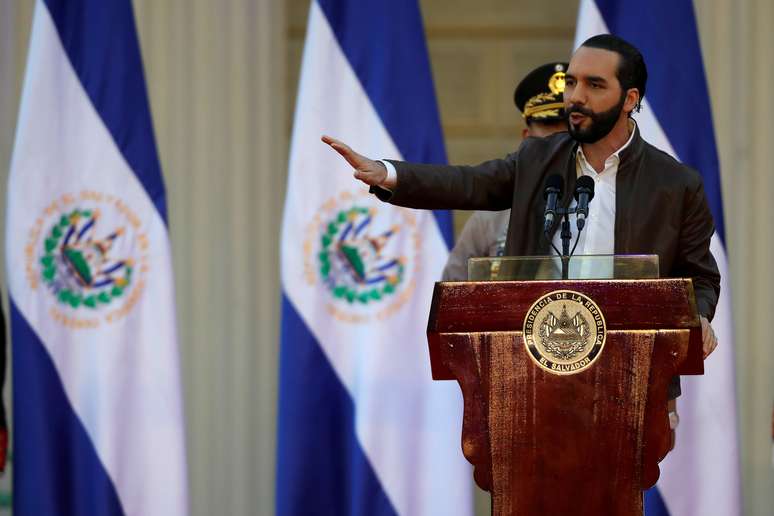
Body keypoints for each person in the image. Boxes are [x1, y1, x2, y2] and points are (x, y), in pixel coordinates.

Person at [322, 34, 719, 365]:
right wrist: (389, 173)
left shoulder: (675, 184)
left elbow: (700, 276)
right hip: (532, 367)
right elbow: (470, 183)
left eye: (594, 85)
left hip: (633, 370)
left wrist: (699, 316)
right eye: (573, 82)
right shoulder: (537, 159)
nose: (576, 97)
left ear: (630, 98)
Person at [442, 62, 570, 281]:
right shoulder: (491, 216)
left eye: (568, 131)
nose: (559, 143)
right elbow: (453, 291)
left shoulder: (602, 202)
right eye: (549, 132)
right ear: (526, 138)